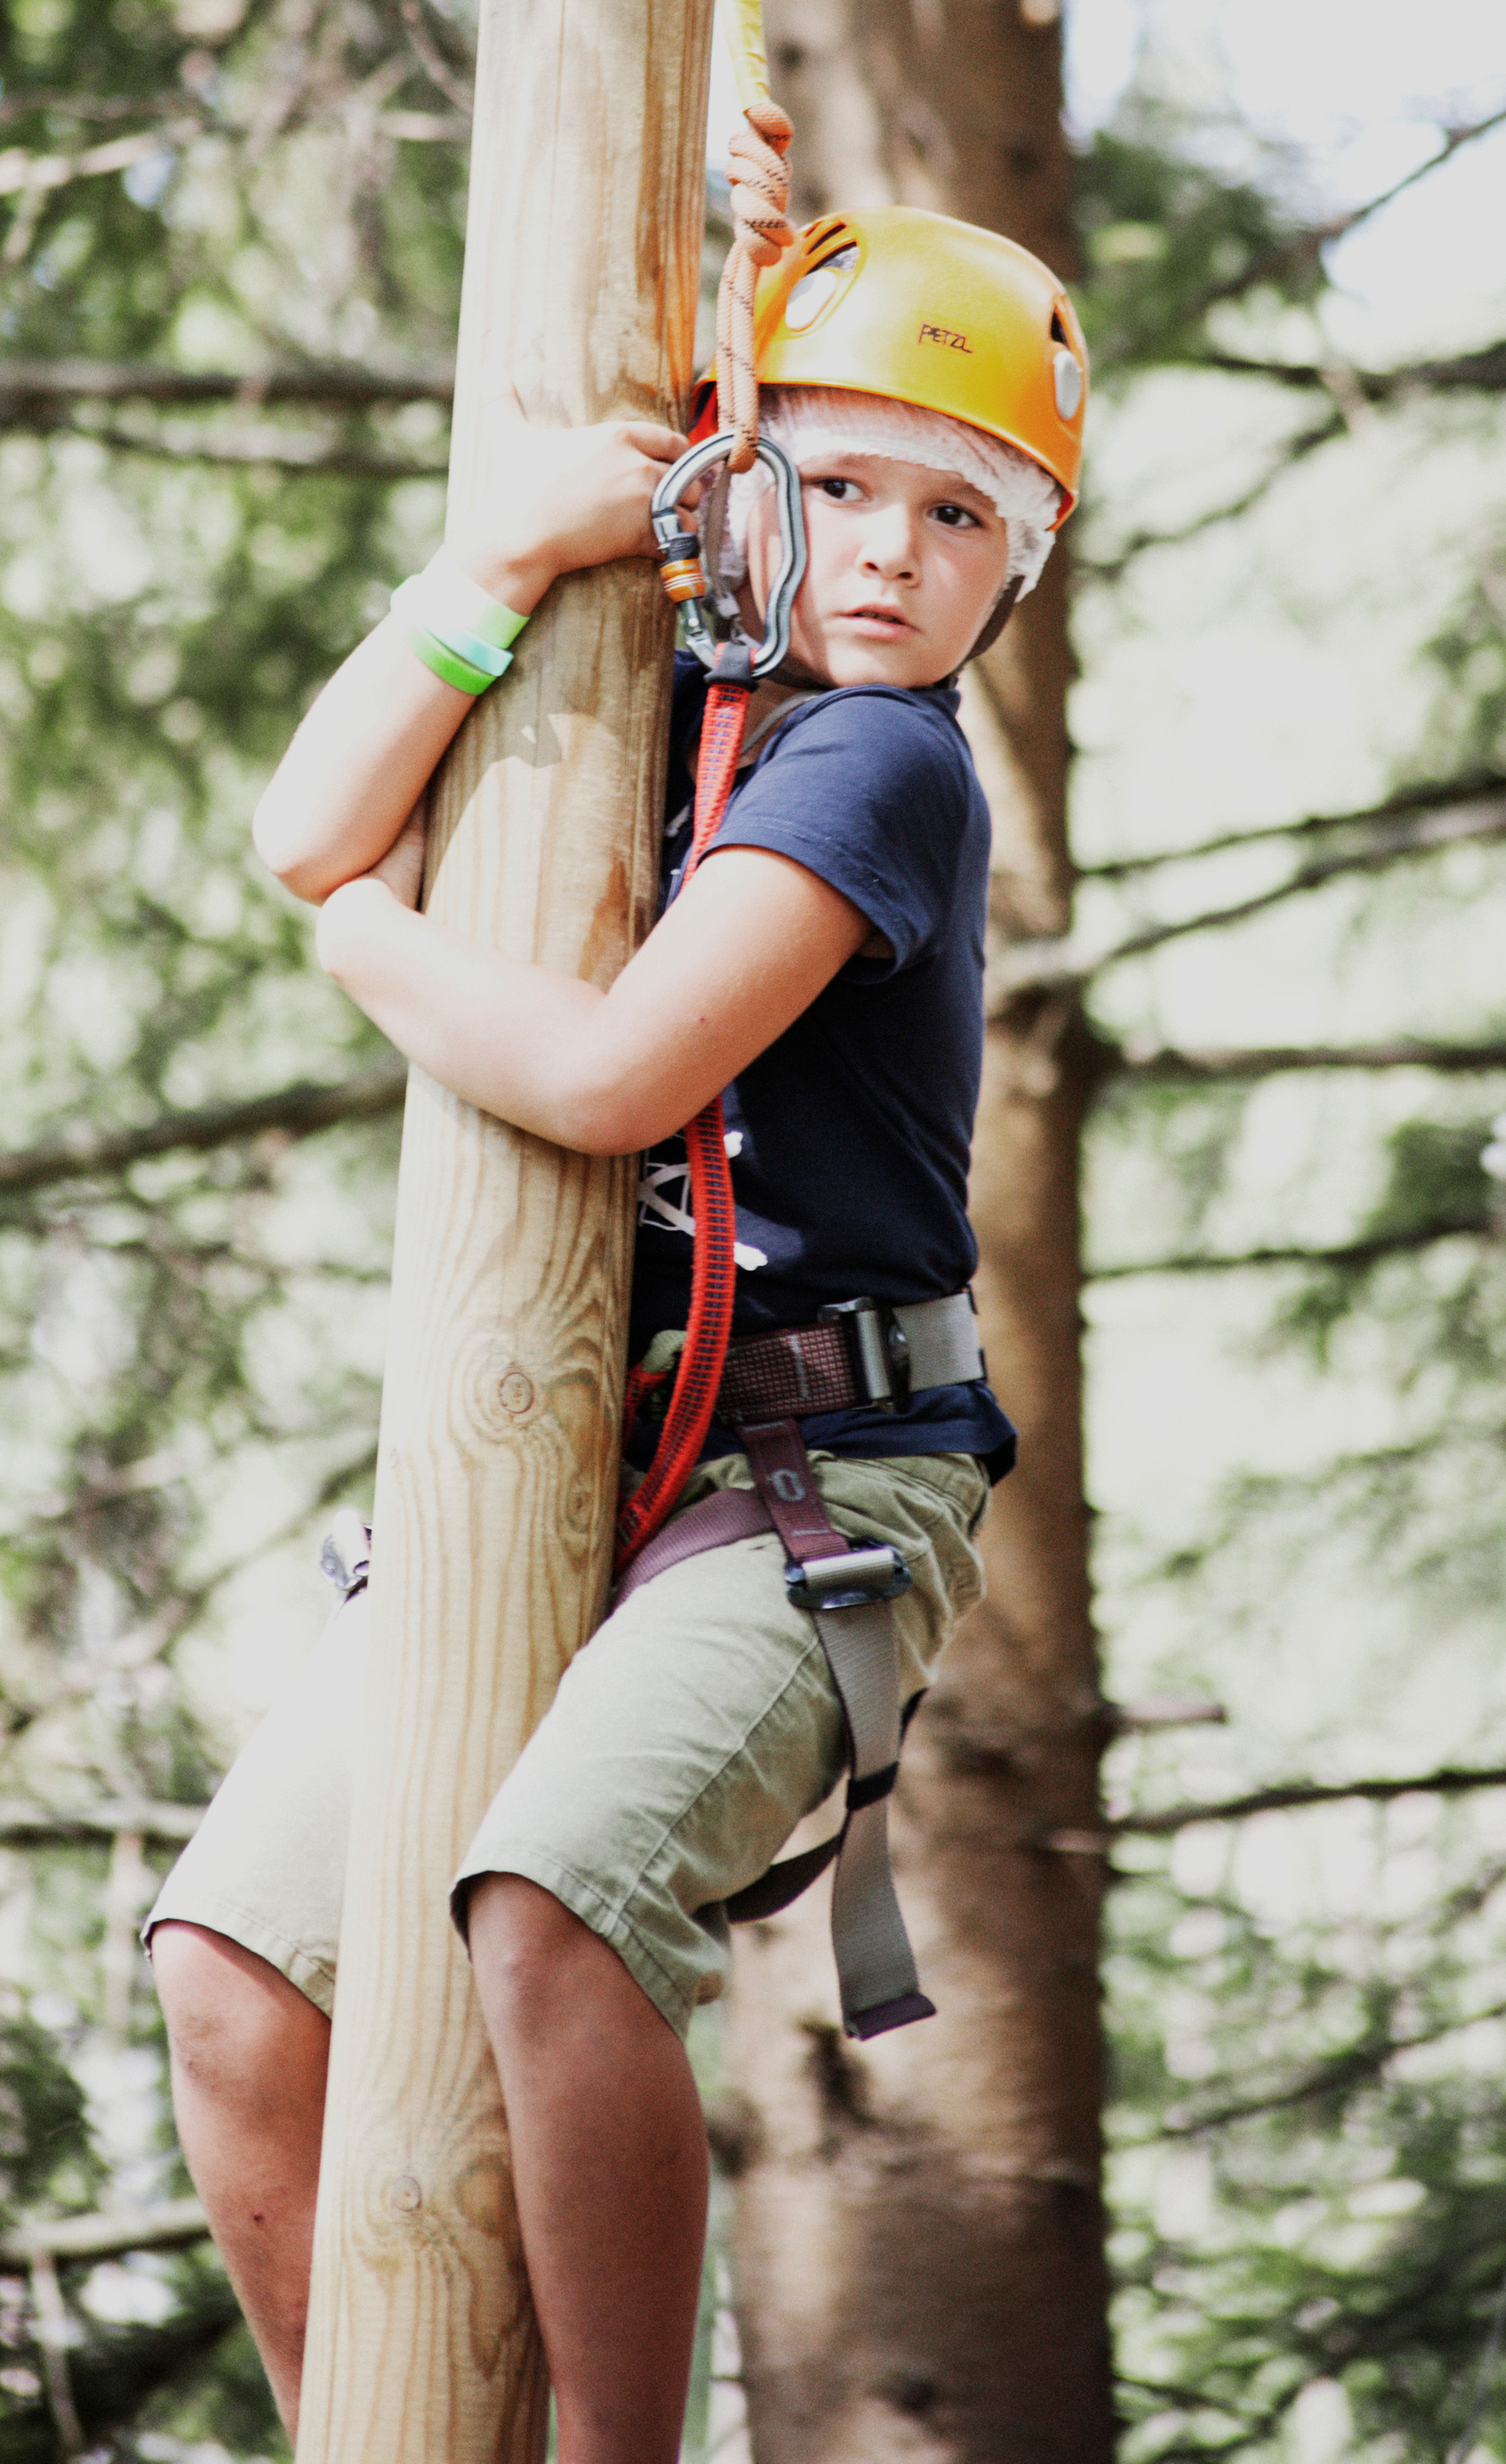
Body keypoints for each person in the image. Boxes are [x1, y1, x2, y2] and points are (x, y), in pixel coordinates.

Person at [146, 190, 1087, 2464]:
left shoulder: (884, 768)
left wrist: (371, 950)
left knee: (554, 1895)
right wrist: (496, 565)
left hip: (808, 1479)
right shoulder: (650, 696)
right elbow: (301, 819)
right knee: (235, 1962)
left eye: (959, 515)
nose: (885, 552)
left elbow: (602, 1077)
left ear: (1014, 572)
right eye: (839, 481)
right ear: (747, 478)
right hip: (570, 1449)